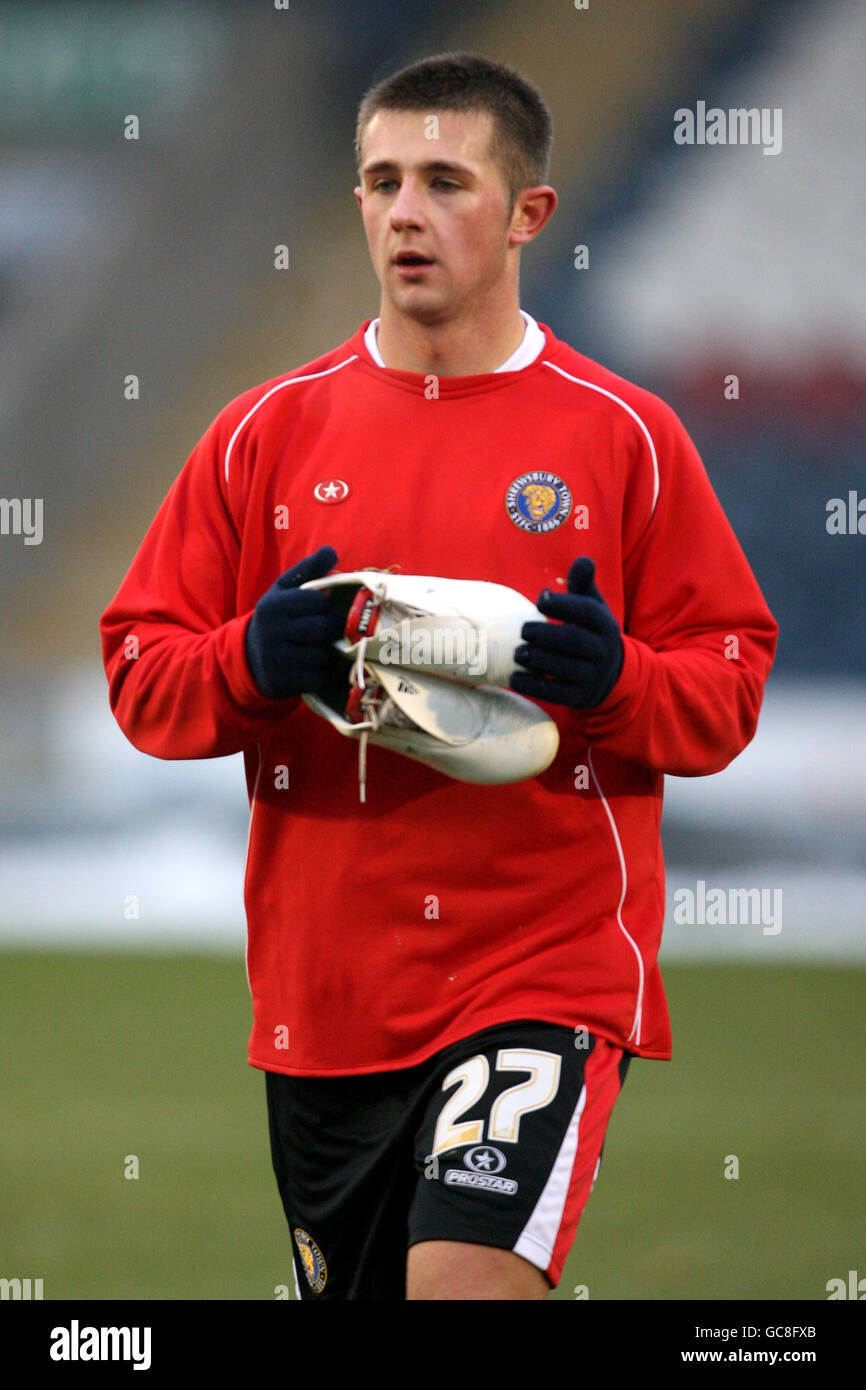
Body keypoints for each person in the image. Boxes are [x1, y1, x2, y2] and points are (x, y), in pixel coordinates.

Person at [100, 51, 778, 1301]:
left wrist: (617, 680)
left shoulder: (621, 435)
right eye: (380, 180)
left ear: (528, 213)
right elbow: (142, 669)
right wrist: (249, 660)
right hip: (326, 998)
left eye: (444, 181)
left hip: (540, 967)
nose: (404, 211)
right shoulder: (265, 432)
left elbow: (726, 681)